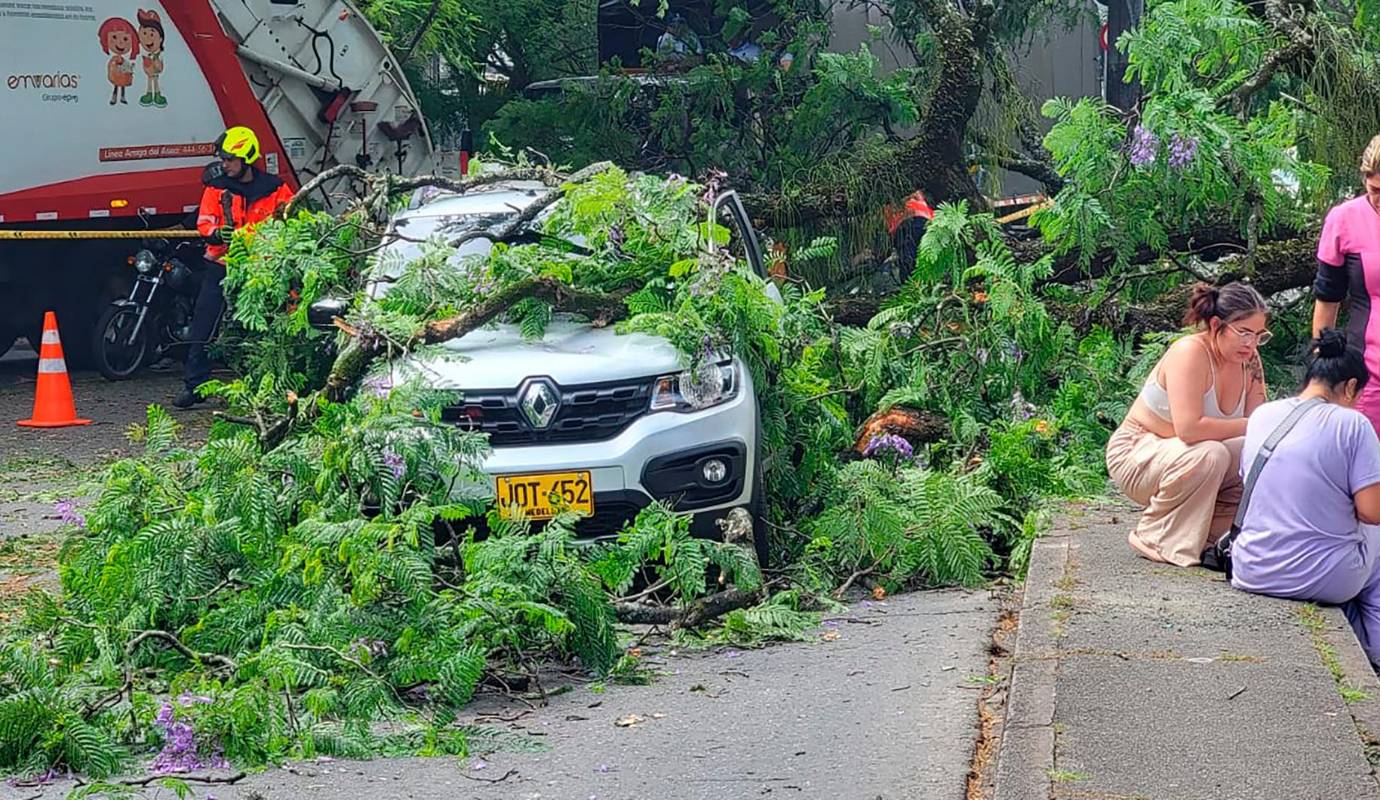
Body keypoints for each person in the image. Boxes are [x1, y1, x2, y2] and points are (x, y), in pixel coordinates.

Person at [1230, 329, 1380, 667]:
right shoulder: (1353, 424)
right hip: (1322, 578)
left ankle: (1360, 641)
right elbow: (1372, 512)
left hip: (1252, 569)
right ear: (1351, 386)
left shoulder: (1263, 415)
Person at [1105, 282, 1270, 566]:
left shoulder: (1250, 361)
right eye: (1243, 333)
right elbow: (1190, 429)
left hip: (1195, 458)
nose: (1251, 344)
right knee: (1211, 454)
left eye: (1258, 335)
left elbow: (1261, 429)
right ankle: (1154, 536)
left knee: (1261, 456)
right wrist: (1252, 424)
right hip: (1138, 453)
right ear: (1217, 324)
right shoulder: (1190, 351)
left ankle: (1209, 536)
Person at [178, 125, 293, 408]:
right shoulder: (216, 189)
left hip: (260, 270)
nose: (224, 164)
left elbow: (292, 222)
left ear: (246, 158)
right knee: (203, 326)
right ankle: (195, 387)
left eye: (230, 159)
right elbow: (204, 222)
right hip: (221, 266)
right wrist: (216, 233)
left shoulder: (276, 189)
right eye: (223, 159)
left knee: (262, 329)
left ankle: (265, 385)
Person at [1313, 133, 1380, 436]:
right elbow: (1328, 298)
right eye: (1376, 189)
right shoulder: (1344, 219)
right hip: (1367, 371)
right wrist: (1322, 371)